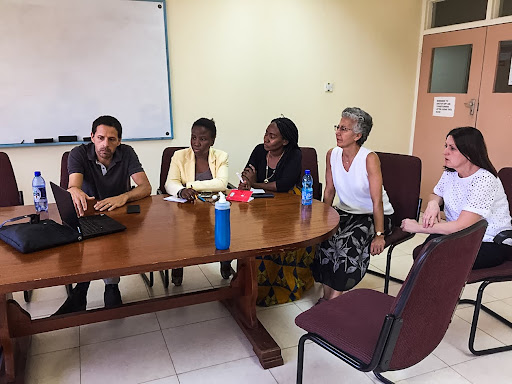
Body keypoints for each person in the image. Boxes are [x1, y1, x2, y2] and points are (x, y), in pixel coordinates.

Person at [54, 115, 152, 315]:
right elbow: (73, 185)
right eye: (100, 138)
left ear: (119, 141)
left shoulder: (127, 153)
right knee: (87, 241)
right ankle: (81, 291)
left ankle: (111, 286)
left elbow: (145, 187)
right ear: (92, 137)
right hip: (89, 213)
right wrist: (75, 191)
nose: (105, 144)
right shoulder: (78, 154)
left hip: (117, 213)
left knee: (116, 241)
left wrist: (123, 197)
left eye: (112, 139)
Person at [312, 107, 394, 303]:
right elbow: (329, 191)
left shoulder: (369, 158)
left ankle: (334, 300)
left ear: (358, 135)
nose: (338, 132)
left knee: (347, 243)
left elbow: (377, 201)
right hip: (346, 211)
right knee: (326, 240)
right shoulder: (332, 154)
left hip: (373, 215)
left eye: (344, 129)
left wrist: (379, 235)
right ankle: (326, 297)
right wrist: (323, 220)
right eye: (338, 127)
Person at [401, 126, 512, 269]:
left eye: (452, 148)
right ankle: (421, 291)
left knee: (434, 257)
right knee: (425, 252)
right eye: (446, 146)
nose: (445, 152)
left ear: (469, 153)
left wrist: (418, 227)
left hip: (489, 241)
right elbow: (436, 193)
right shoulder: (451, 172)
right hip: (459, 235)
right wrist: (433, 204)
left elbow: (463, 226)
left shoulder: (485, 180)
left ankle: (433, 291)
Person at [239, 117, 313, 306]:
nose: (266, 139)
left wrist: (255, 183)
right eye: (266, 133)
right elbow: (247, 174)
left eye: (272, 136)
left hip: (289, 202)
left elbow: (284, 185)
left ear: (285, 141)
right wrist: (247, 182)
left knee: (280, 237)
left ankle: (278, 285)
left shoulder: (293, 154)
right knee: (252, 233)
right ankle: (249, 284)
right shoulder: (258, 150)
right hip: (261, 201)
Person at [164, 118, 230, 284]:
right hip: (187, 210)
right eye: (193, 137)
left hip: (213, 208)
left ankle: (225, 261)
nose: (196, 143)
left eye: (203, 138)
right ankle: (178, 268)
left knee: (224, 228)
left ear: (212, 140)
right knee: (181, 236)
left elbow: (222, 183)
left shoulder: (221, 156)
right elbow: (170, 183)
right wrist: (180, 191)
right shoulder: (179, 156)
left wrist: (190, 185)